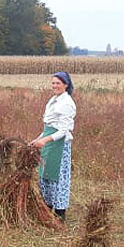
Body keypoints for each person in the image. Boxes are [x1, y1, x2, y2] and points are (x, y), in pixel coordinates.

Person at [30, 71, 77, 222]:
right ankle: (46, 210)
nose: (55, 86)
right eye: (53, 83)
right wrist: (38, 139)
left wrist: (44, 141)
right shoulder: (53, 99)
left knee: (58, 179)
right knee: (46, 176)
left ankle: (59, 214)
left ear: (66, 84)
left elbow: (63, 130)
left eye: (58, 83)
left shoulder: (67, 103)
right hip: (49, 142)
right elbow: (48, 126)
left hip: (59, 144)